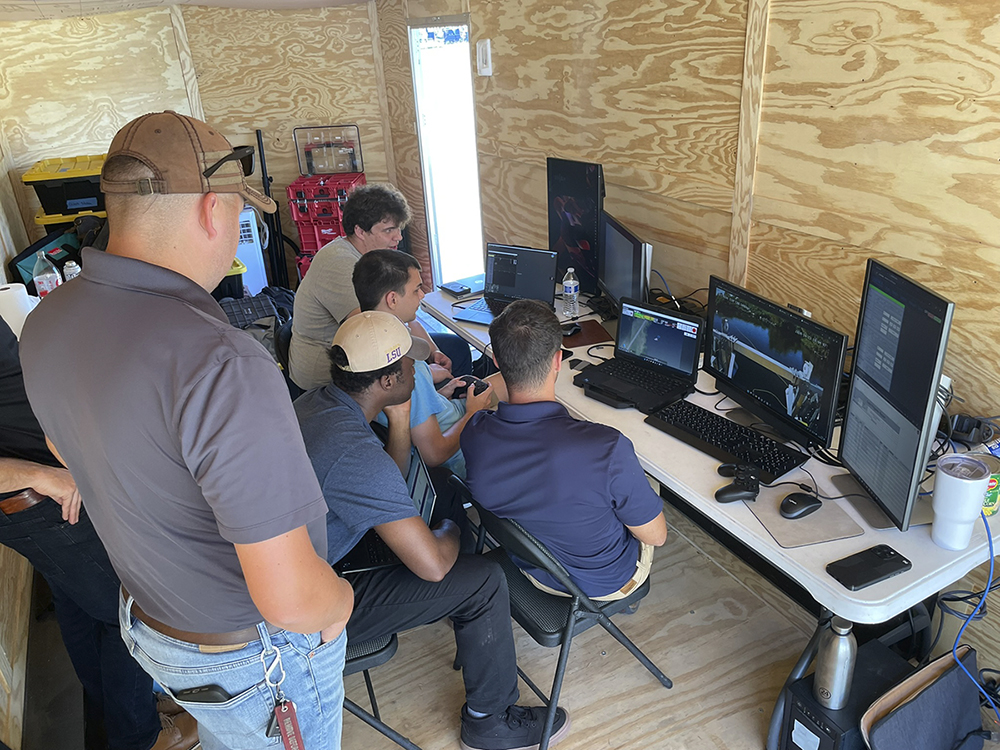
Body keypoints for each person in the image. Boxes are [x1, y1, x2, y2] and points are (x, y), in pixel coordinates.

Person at [19, 111, 355, 750]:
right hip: (250, 657)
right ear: (211, 212)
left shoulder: (49, 317)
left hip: (152, 625)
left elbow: (70, 453)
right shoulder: (222, 362)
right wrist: (337, 600)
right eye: (238, 211)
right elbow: (288, 599)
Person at [293, 311, 570, 750]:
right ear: (386, 380)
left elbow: (386, 477)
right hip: (307, 609)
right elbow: (435, 566)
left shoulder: (318, 404)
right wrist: (449, 527)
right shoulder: (353, 455)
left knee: (436, 489)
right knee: (481, 579)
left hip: (311, 558)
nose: (418, 372)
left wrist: (400, 423)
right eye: (409, 366)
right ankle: (489, 722)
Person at [0, 317, 196, 750]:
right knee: (131, 608)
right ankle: (139, 737)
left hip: (50, 475)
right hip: (39, 494)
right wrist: (45, 476)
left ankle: (118, 710)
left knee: (80, 601)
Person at [461, 299, 668, 600]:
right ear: (558, 361)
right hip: (603, 584)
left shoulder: (474, 432)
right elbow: (657, 537)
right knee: (652, 483)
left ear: (495, 361)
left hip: (533, 567)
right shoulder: (607, 449)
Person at [288, 183, 472, 389]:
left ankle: (448, 406)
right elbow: (375, 333)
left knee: (455, 348)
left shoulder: (373, 258)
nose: (399, 237)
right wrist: (425, 371)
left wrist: (433, 351)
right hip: (332, 374)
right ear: (360, 231)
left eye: (398, 228)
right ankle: (446, 413)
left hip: (371, 350)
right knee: (429, 381)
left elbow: (400, 317)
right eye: (388, 230)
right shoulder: (339, 264)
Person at [353, 249, 502, 478]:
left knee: (506, 383)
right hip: (462, 452)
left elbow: (415, 410)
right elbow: (434, 454)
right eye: (416, 290)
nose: (422, 295)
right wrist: (473, 413)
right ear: (393, 299)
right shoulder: (407, 369)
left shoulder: (361, 342)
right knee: (519, 383)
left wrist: (438, 396)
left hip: (443, 413)